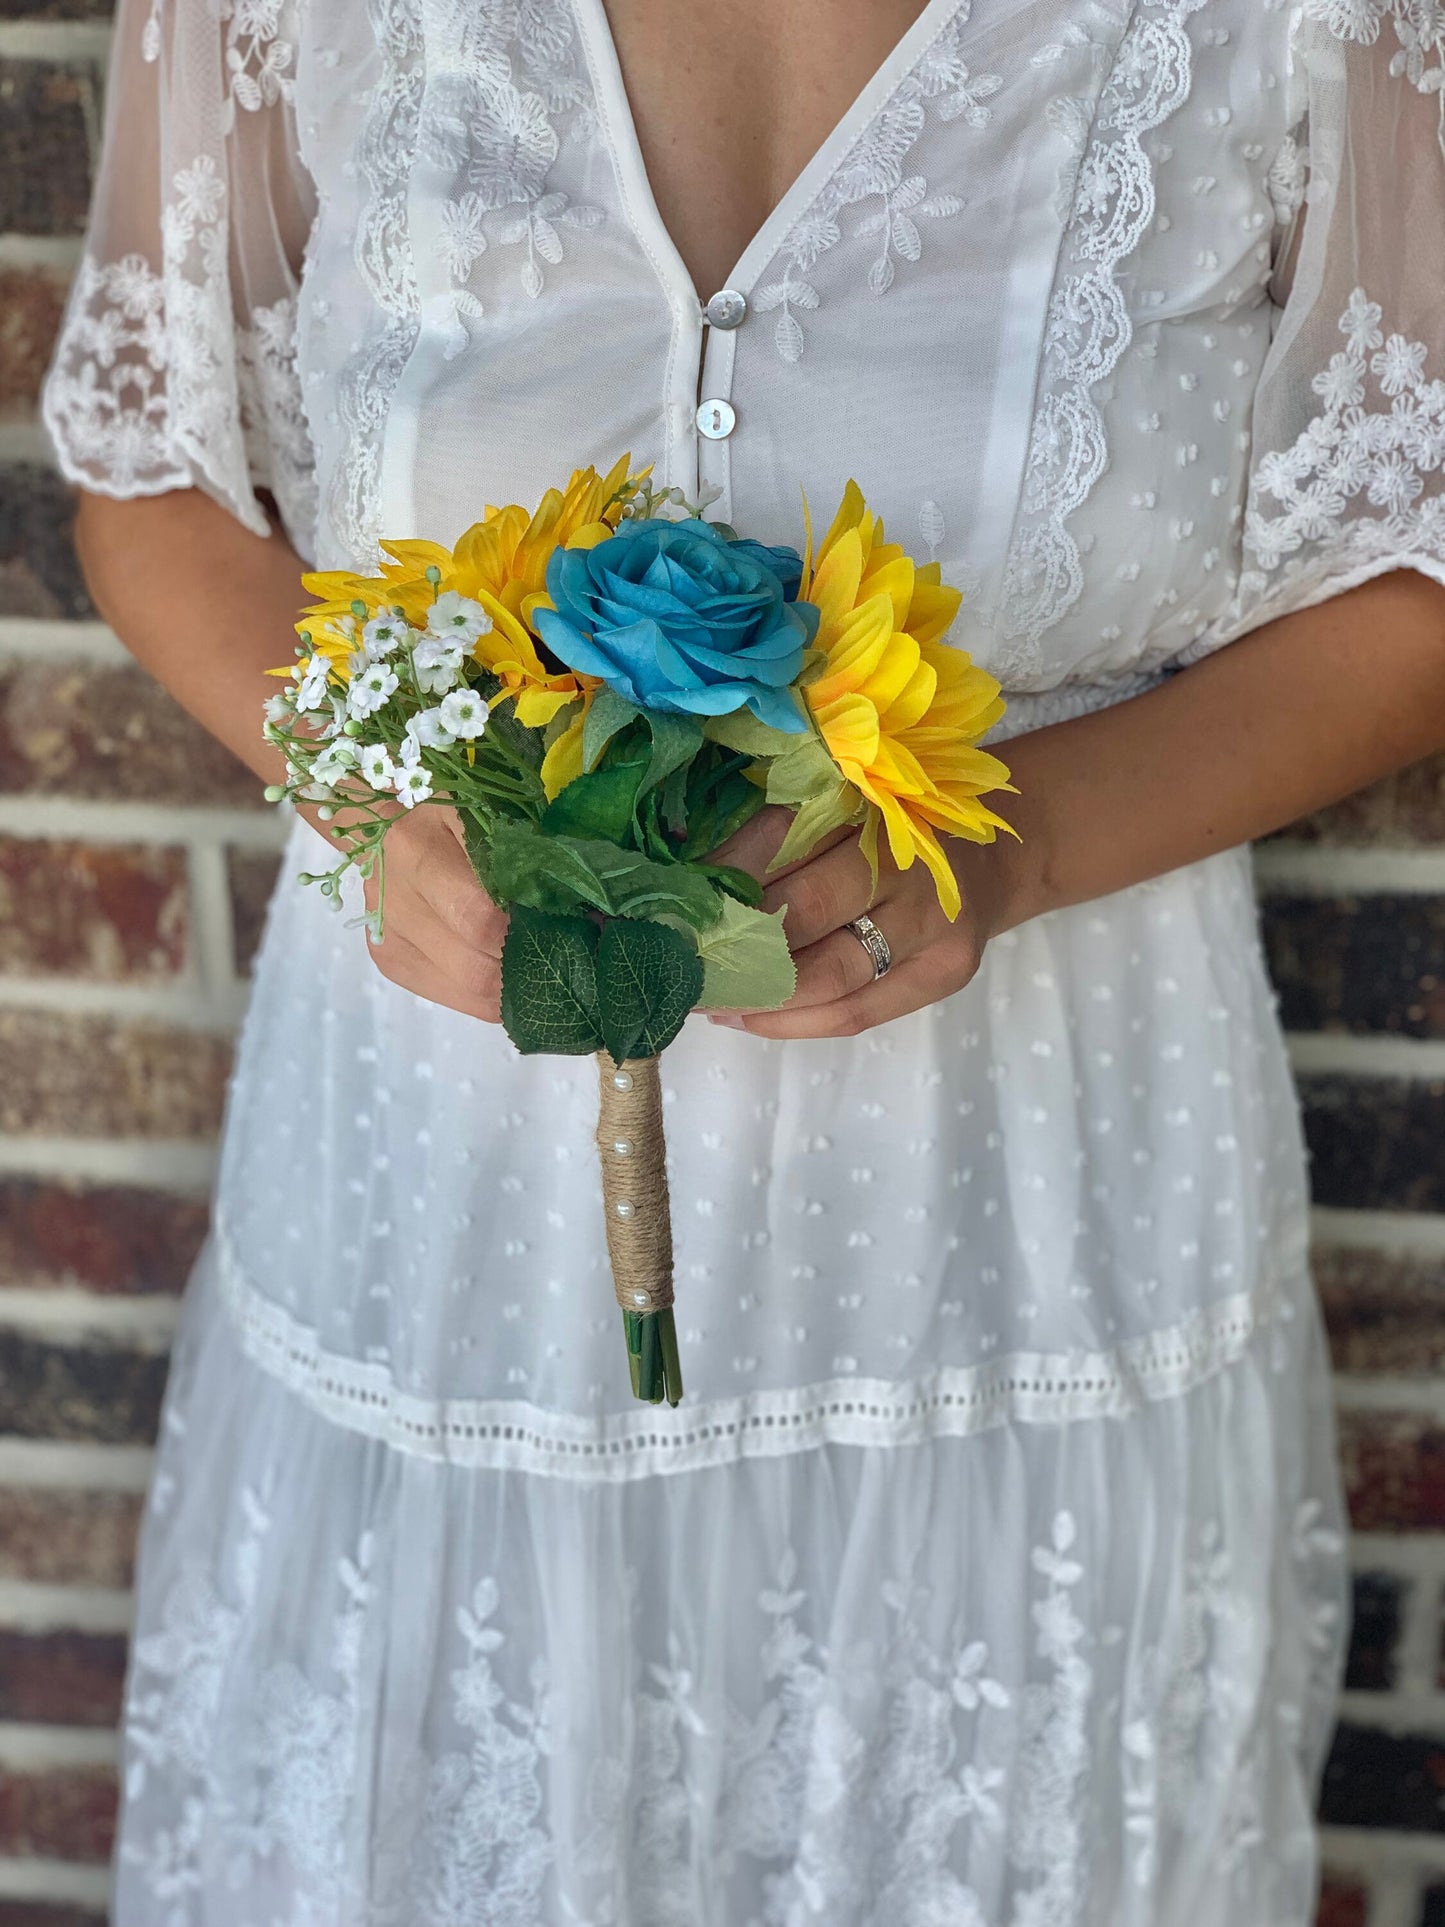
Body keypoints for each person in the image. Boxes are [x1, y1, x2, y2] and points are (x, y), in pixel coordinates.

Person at [42, 0, 1445, 1919]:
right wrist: (373, 797)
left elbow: (1420, 565)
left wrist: (1017, 844)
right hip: (447, 1243)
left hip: (1018, 1239)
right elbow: (157, 477)